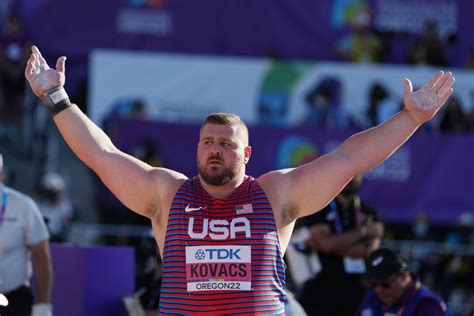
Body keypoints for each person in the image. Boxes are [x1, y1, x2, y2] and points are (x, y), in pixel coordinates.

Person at [24, 45, 455, 314]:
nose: (215, 149)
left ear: (246, 154)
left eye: (226, 144)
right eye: (208, 142)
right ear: (197, 149)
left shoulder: (276, 193)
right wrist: (57, 99)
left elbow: (348, 159)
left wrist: (410, 119)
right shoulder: (167, 193)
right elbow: (103, 155)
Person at [297, 174, 383, 316]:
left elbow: (370, 251)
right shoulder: (319, 207)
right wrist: (364, 231)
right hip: (320, 291)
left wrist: (331, 243)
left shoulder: (369, 212)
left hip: (356, 292)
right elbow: (326, 244)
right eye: (347, 173)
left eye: (355, 174)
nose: (350, 178)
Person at [0, 154, 53, 316]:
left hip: (14, 297)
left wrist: (43, 304)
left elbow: (41, 256)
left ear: (1, 173)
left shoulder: (22, 205)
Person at [357, 248, 451, 316]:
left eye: (385, 284)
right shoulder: (372, 298)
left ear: (404, 277)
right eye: (373, 284)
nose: (378, 290)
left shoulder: (428, 306)